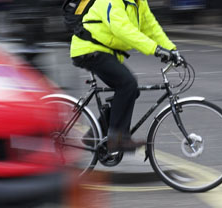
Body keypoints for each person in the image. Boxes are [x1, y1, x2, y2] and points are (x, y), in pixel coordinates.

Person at [70, 0, 185, 154]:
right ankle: (117, 139)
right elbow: (123, 29)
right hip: (89, 50)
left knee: (130, 89)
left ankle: (94, 134)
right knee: (127, 84)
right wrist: (155, 50)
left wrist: (171, 50)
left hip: (106, 51)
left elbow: (151, 27)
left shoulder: (139, 2)